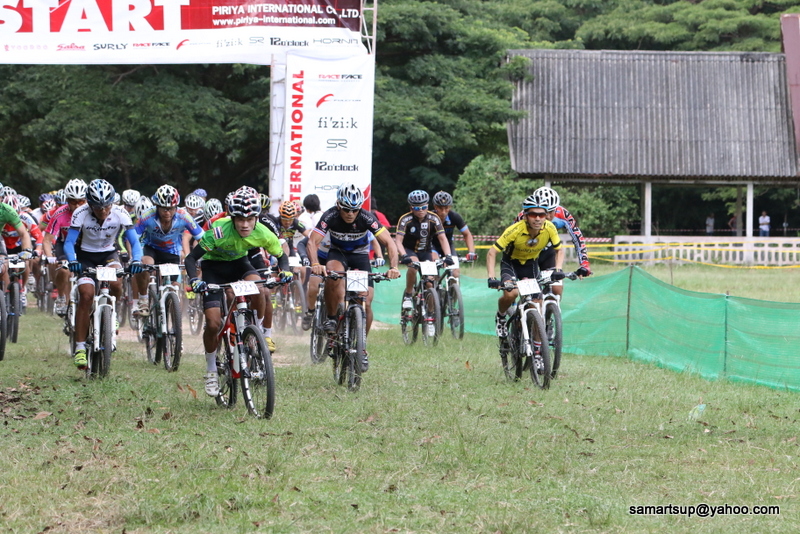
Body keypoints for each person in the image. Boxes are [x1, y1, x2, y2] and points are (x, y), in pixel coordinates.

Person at [183, 186, 291, 397]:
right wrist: (195, 279)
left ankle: (256, 332)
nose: (245, 224)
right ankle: (211, 370)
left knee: (260, 289)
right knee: (213, 323)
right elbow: (191, 258)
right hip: (213, 269)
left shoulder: (263, 232)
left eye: (250, 219)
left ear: (256, 218)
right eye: (240, 219)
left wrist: (285, 271)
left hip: (239, 264)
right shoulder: (219, 231)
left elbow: (282, 256)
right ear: (232, 217)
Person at [305, 183, 401, 371]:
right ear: (338, 205)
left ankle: (361, 348)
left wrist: (394, 267)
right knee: (332, 274)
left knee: (366, 301)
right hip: (338, 254)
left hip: (360, 256)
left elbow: (389, 242)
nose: (350, 214)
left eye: (355, 210)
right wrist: (315, 263)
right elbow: (312, 242)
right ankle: (331, 318)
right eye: (346, 209)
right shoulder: (330, 216)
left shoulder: (367, 217)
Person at [64, 179, 144, 369]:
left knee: (116, 282)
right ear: (90, 204)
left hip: (109, 254)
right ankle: (80, 347)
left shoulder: (121, 213)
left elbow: (135, 241)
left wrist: (136, 260)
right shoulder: (80, 213)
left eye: (107, 206)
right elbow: (69, 242)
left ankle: (112, 313)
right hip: (85, 256)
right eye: (98, 207)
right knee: (86, 295)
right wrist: (73, 260)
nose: (103, 210)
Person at [487, 194, 564, 339]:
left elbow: (559, 250)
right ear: (525, 216)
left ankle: (538, 349)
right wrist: (491, 277)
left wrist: (558, 270)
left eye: (542, 215)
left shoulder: (550, 228)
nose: (538, 218)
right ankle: (501, 315)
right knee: (512, 294)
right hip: (511, 263)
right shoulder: (514, 230)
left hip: (531, 264)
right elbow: (492, 252)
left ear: (546, 216)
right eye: (533, 214)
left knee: (538, 306)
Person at [133, 185, 203, 314]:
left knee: (174, 289)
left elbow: (202, 238)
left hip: (172, 252)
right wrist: (135, 258)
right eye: (164, 209)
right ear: (157, 206)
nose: (167, 212)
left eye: (171, 209)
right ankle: (143, 299)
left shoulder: (184, 216)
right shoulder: (147, 216)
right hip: (151, 249)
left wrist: (203, 257)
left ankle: (171, 319)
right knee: (145, 264)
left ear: (176, 207)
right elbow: (133, 237)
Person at [395, 190, 454, 310]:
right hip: (410, 250)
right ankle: (408, 295)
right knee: (413, 266)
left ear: (428, 206)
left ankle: (431, 315)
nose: (421, 210)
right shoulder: (405, 219)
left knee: (430, 284)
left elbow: (442, 238)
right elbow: (398, 241)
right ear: (411, 208)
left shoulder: (434, 218)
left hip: (426, 251)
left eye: (424, 207)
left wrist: (448, 255)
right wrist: (404, 255)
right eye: (417, 208)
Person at [42, 179, 87, 315]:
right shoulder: (59, 213)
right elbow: (47, 240)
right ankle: (61, 297)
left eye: (81, 201)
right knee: (63, 270)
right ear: (67, 200)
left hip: (86, 246)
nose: (77, 205)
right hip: (64, 244)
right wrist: (50, 257)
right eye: (73, 201)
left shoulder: (91, 212)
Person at [430, 191, 478, 275]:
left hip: (448, 245)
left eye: (446, 208)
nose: (443, 212)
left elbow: (467, 234)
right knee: (434, 268)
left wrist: (471, 252)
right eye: (440, 208)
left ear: (450, 207)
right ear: (435, 207)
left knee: (455, 272)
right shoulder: (429, 217)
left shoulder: (454, 216)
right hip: (432, 245)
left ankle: (453, 282)